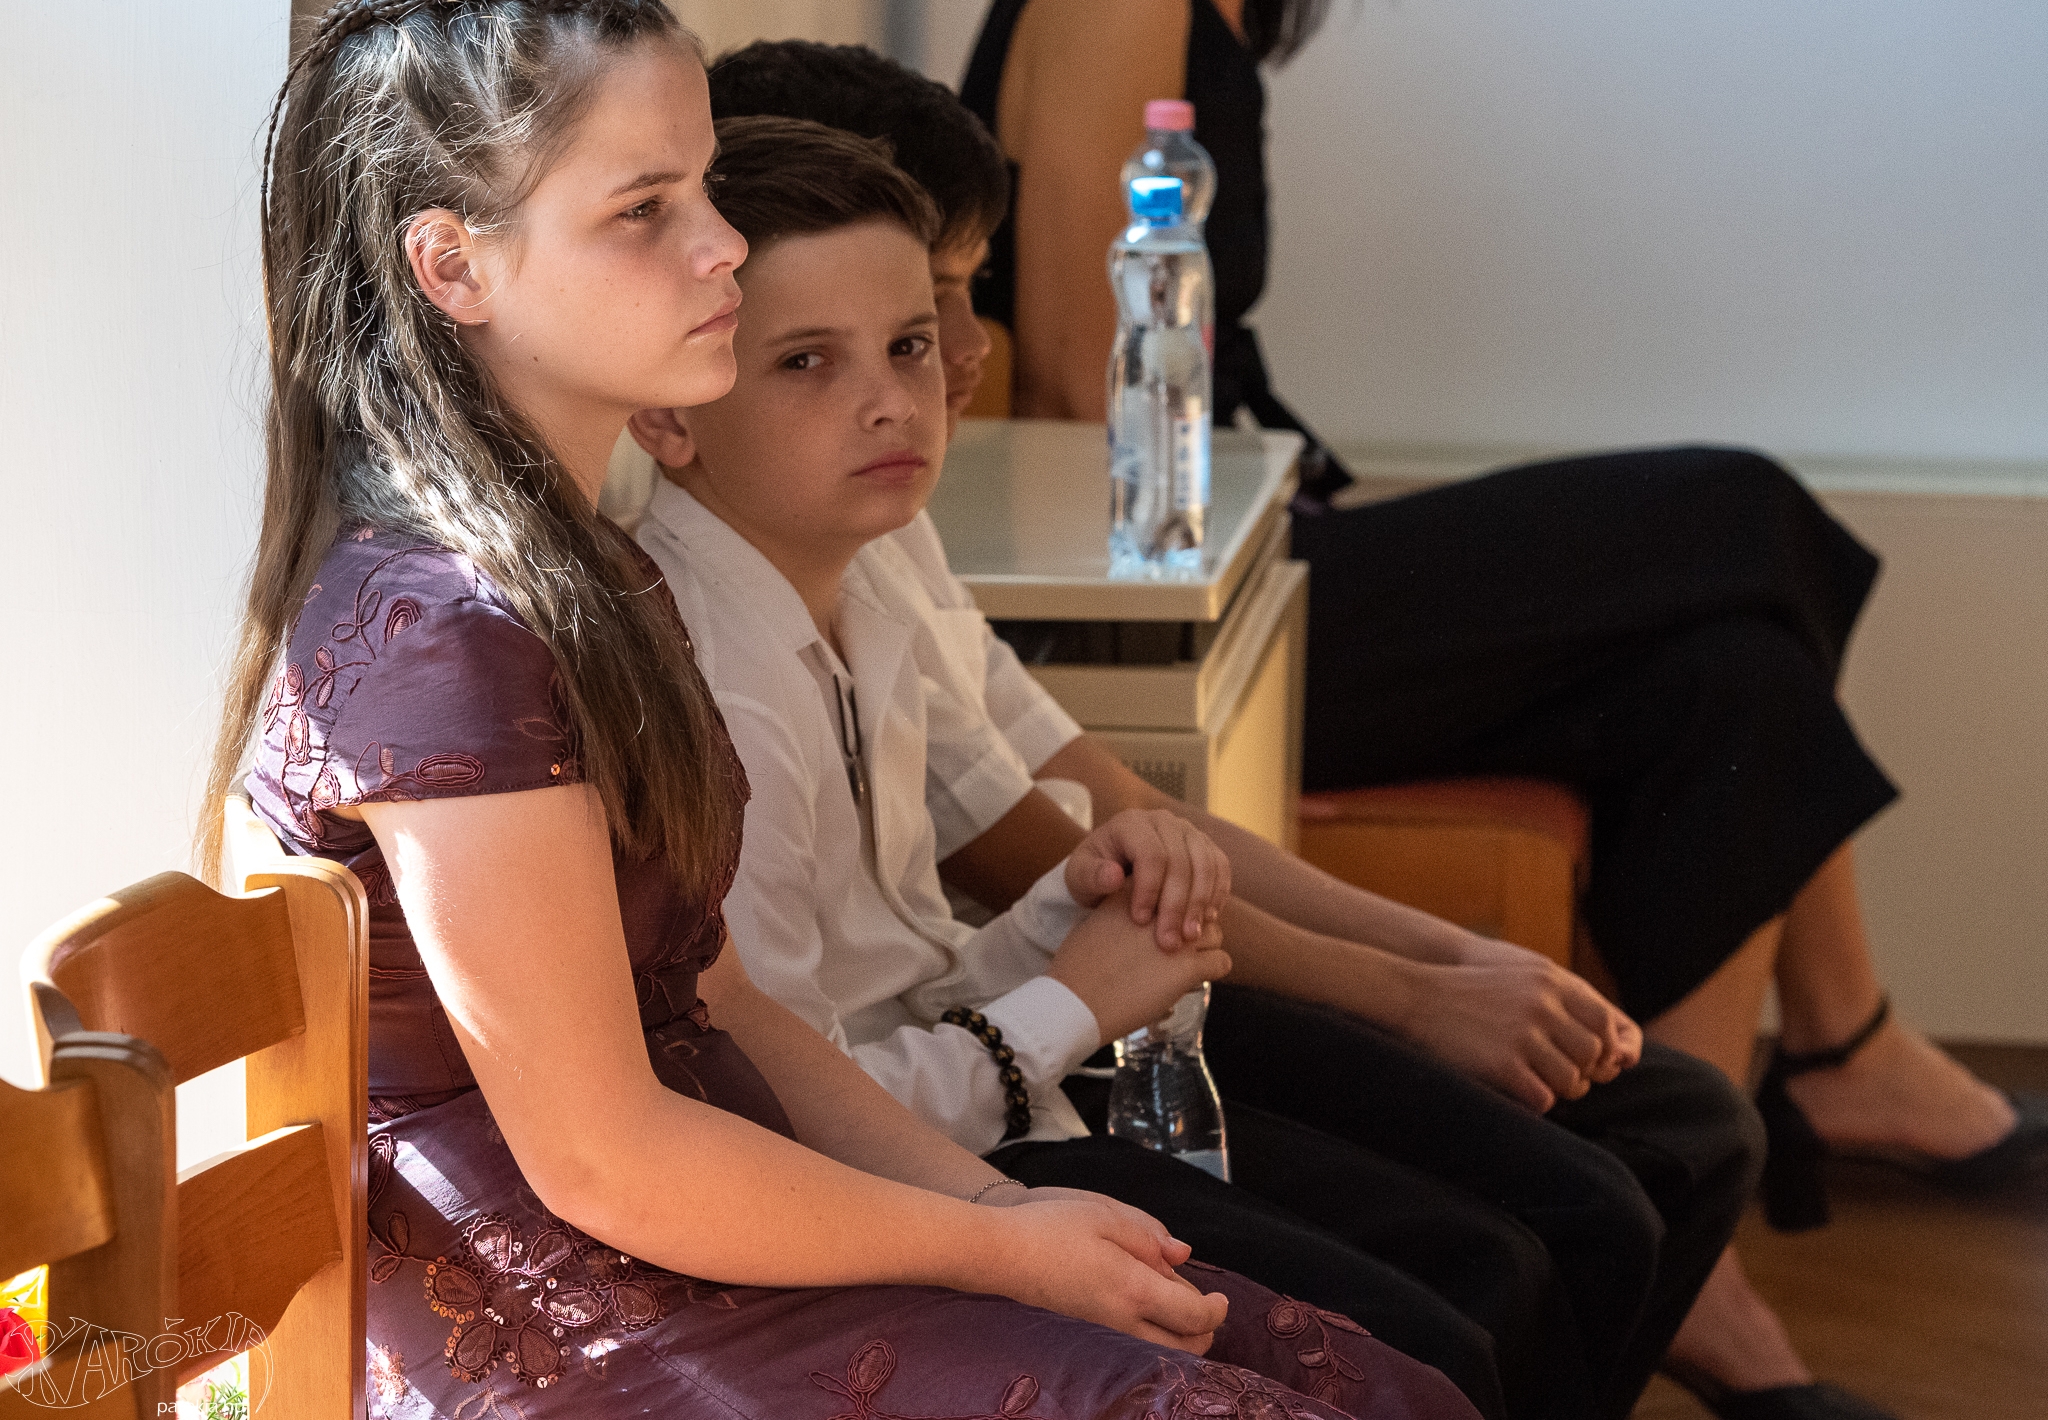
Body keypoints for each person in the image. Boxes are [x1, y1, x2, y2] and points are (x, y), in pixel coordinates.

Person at [211, 0, 1478, 1420]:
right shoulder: (442, 633)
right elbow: (605, 1158)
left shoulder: (590, 581)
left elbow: (727, 1008)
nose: (722, 247)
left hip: (720, 1230)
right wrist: (989, 1243)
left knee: (1374, 1381)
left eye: (704, 190)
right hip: (565, 1320)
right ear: (454, 266)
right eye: (646, 210)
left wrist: (998, 1209)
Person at [956, 0, 2048, 1418]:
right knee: (1743, 513)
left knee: (1738, 684)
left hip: (1265, 535)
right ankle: (1842, 1046)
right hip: (1212, 581)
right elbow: (1092, 390)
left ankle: (1716, 1223)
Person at [648, 101, 1756, 1420]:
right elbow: (795, 1108)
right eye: (806, 363)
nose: (902, 394)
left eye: (909, 341)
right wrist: (1071, 995)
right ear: (672, 412)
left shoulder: (867, 551)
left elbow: (969, 902)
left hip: (1003, 1062)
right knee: (1466, 1303)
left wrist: (1088, 898)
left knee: (1557, 1230)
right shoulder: (710, 684)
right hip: (939, 1144)